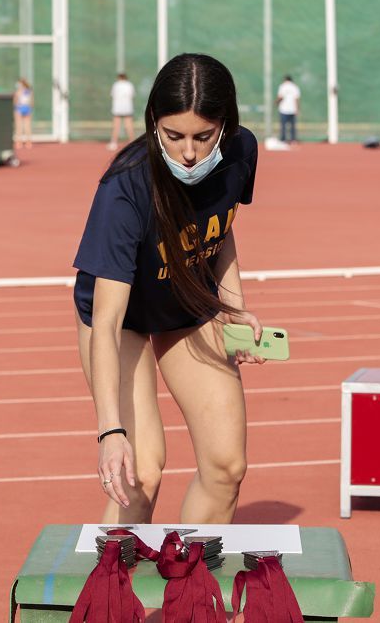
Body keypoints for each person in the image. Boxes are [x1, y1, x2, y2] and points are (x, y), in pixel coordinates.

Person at [73, 53, 266, 524]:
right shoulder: (125, 189)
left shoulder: (241, 152)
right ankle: (109, 596)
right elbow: (109, 321)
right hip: (125, 320)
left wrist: (234, 307)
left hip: (188, 304)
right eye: (173, 135)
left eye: (204, 136)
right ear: (152, 123)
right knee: (140, 472)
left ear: (226, 124)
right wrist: (109, 431)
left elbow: (219, 229)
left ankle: (191, 591)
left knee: (226, 467)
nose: (189, 153)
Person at [108, 72, 136, 151]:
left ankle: (113, 143)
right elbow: (132, 95)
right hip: (128, 108)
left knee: (116, 126)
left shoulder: (116, 85)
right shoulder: (129, 85)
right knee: (129, 125)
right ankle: (133, 143)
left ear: (119, 78)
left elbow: (113, 95)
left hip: (117, 108)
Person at [276, 75, 300, 144]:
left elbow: (281, 97)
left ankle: (283, 139)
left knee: (283, 125)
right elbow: (297, 99)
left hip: (284, 109)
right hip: (293, 109)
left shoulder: (282, 86)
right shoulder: (295, 87)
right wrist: (297, 109)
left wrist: (276, 102)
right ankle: (293, 140)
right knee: (293, 126)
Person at [13, 78, 33, 149]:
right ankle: (28, 143)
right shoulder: (29, 91)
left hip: (20, 108)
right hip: (27, 108)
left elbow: (15, 101)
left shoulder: (18, 91)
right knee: (27, 126)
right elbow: (31, 102)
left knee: (19, 127)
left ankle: (19, 143)